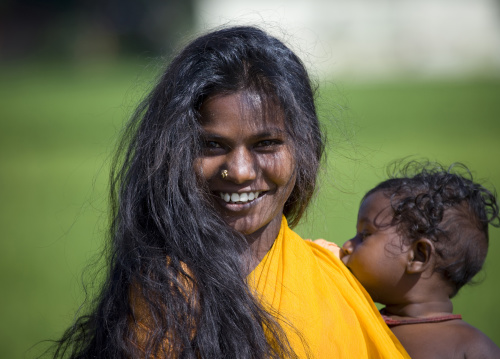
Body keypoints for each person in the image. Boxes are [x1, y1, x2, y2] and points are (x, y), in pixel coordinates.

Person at [50, 26, 409, 358]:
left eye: (266, 143)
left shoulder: (337, 272)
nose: (238, 171)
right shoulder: (166, 294)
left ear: (305, 148)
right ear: (173, 152)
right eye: (211, 144)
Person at [318, 162, 500, 358]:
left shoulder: (472, 347)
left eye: (365, 235)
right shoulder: (354, 323)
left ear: (418, 256)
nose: (347, 246)